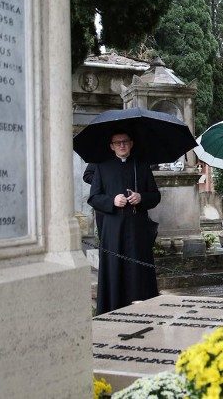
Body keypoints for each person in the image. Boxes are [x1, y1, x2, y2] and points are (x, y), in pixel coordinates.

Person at [88, 131, 161, 315]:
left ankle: (143, 309)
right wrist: (112, 201)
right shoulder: (102, 167)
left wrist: (141, 197)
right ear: (111, 146)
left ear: (131, 143)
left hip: (138, 230)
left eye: (125, 142)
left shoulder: (141, 165)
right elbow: (94, 197)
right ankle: (114, 309)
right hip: (113, 230)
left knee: (138, 272)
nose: (122, 145)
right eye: (118, 142)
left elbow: (155, 196)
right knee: (115, 270)